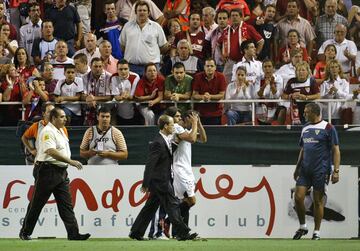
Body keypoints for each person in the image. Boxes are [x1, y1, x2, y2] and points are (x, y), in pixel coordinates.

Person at [19, 107, 91, 241]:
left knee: (66, 205)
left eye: (65, 116)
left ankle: (73, 233)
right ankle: (25, 232)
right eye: (62, 117)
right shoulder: (47, 131)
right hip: (48, 171)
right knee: (37, 203)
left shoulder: (62, 130)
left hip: (61, 171)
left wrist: (66, 163)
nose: (65, 119)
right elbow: (51, 151)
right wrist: (70, 161)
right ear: (53, 118)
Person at [129, 114, 198, 241]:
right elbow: (150, 164)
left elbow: (168, 153)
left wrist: (176, 143)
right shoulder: (157, 142)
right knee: (173, 206)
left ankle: (136, 232)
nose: (174, 127)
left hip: (161, 180)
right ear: (165, 126)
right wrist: (145, 183)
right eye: (171, 124)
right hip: (161, 181)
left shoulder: (164, 139)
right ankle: (183, 233)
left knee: (149, 208)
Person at [292, 102, 340, 240]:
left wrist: (336, 170)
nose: (304, 114)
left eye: (306, 112)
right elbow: (303, 149)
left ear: (314, 112)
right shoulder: (305, 128)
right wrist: (297, 167)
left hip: (321, 170)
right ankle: (303, 227)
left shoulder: (328, 127)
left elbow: (336, 150)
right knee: (298, 197)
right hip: (305, 170)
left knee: (318, 201)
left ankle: (316, 232)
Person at [163, 107, 207, 237]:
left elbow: (203, 139)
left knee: (185, 202)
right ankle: (167, 220)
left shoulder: (187, 130)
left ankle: (182, 233)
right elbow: (193, 139)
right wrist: (194, 124)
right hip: (179, 169)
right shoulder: (176, 128)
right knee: (191, 201)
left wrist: (198, 123)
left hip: (186, 170)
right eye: (177, 116)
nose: (179, 119)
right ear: (188, 118)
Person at [120, 0, 169, 76]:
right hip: (132, 67)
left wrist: (151, 54)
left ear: (149, 12)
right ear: (135, 12)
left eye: (144, 10)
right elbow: (122, 46)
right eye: (139, 10)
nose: (142, 12)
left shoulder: (156, 27)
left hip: (151, 68)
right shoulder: (127, 26)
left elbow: (163, 46)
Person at [192, 58, 226, 125]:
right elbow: (194, 95)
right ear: (204, 67)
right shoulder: (197, 77)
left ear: (215, 67)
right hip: (200, 113)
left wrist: (210, 96)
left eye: (211, 66)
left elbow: (222, 95)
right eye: (207, 66)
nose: (209, 68)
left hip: (216, 113)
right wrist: (203, 97)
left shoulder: (221, 77)